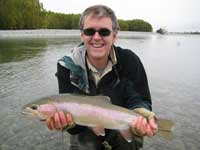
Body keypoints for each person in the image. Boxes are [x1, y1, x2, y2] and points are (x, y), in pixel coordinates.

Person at [46, 5, 157, 150]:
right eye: (89, 31)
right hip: (84, 128)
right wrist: (69, 125)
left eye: (104, 32)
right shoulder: (67, 66)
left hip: (122, 123)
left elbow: (138, 99)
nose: (96, 37)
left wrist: (141, 113)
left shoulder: (130, 60)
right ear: (82, 35)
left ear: (115, 35)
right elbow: (74, 129)